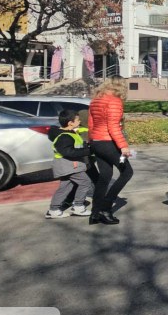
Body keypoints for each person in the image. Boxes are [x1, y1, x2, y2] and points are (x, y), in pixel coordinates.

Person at [88, 76, 133, 225]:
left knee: (105, 176)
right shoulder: (114, 101)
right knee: (127, 172)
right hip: (108, 142)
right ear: (121, 86)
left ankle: (95, 213)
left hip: (96, 142)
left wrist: (91, 141)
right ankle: (105, 208)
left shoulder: (96, 100)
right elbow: (113, 126)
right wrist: (123, 146)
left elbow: (91, 123)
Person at [45, 109, 93, 219]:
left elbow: (81, 134)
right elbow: (68, 152)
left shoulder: (69, 132)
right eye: (77, 120)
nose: (80, 122)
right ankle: (78, 207)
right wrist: (88, 151)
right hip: (69, 165)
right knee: (85, 182)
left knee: (65, 187)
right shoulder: (65, 136)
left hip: (67, 166)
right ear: (70, 123)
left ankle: (53, 209)